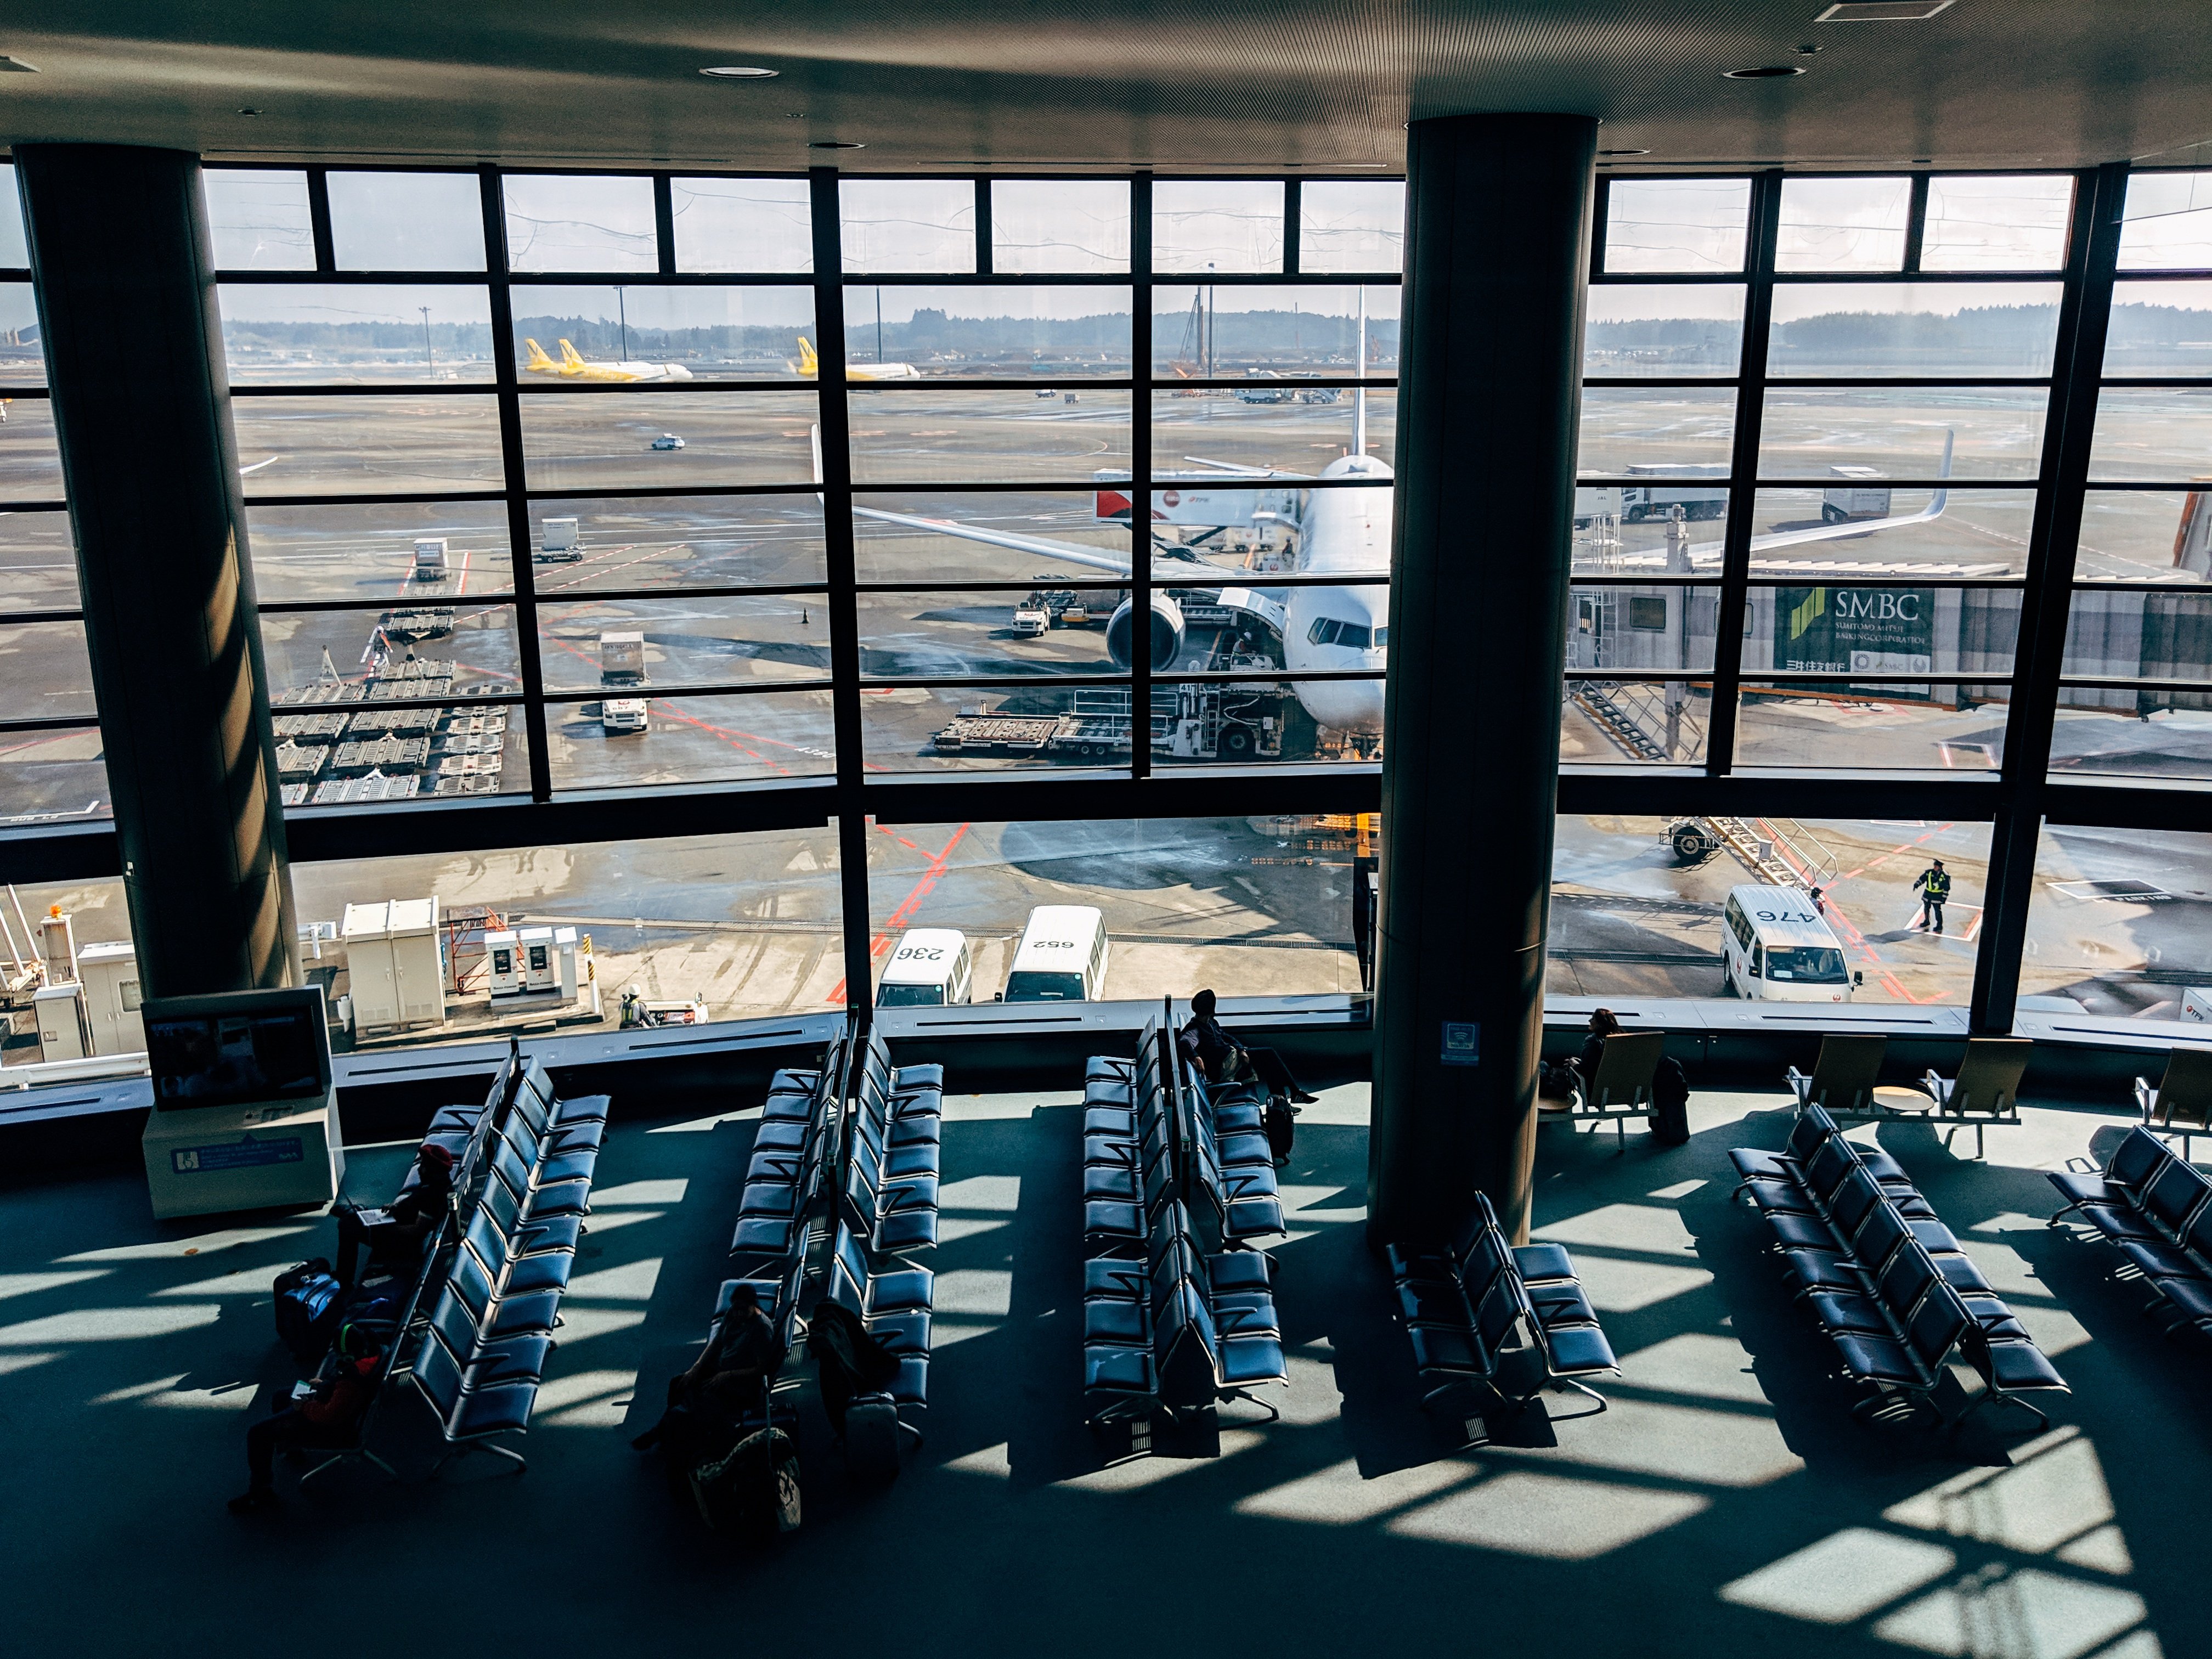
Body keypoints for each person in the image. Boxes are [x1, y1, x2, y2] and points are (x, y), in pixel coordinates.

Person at [228, 1324, 380, 1513]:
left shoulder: (351, 1381)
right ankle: (291, 1448)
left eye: (339, 1356)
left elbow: (328, 1415)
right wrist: (324, 1385)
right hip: (332, 1406)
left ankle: (260, 1493)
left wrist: (305, 1406)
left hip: (331, 1428)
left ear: (348, 1357)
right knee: (280, 1396)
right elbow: (341, 1394)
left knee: (257, 1433)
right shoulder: (365, 1360)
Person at [631, 1283, 782, 1455]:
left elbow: (762, 1369)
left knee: (695, 1401)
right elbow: (717, 1343)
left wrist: (727, 1375)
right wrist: (696, 1368)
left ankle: (665, 1432)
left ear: (753, 1305)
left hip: (739, 1385)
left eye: (743, 1310)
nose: (738, 1314)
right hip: (721, 1370)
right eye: (736, 1309)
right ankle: (668, 1431)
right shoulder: (733, 1314)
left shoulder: (761, 1330)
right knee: (679, 1383)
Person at [332, 1141, 453, 1292]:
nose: (420, 1170)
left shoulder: (434, 1195)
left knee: (346, 1226)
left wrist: (383, 1226)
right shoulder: (435, 1184)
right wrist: (395, 1207)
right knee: (353, 1219)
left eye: (424, 1166)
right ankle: (355, 1214)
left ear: (432, 1170)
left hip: (400, 1244)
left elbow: (415, 1231)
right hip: (396, 1220)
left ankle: (344, 1280)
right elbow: (415, 1202)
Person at [1178, 989, 1318, 1104]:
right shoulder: (1195, 1029)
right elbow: (1184, 1043)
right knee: (1269, 1056)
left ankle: (1284, 1099)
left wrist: (1241, 1050)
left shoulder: (1210, 1023)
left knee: (1269, 1061)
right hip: (1225, 1068)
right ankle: (1290, 1095)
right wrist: (1195, 1056)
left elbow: (1226, 1037)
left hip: (1232, 1059)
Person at [1913, 859, 1953, 935]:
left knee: (1937, 911)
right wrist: (1917, 884)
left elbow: (1947, 887)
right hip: (1928, 895)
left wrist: (1944, 898)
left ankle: (1939, 926)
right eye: (1934, 865)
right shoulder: (1929, 873)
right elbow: (1923, 879)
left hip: (1937, 897)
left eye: (1936, 866)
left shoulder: (1945, 876)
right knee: (1926, 909)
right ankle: (1927, 921)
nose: (1934, 867)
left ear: (1940, 867)